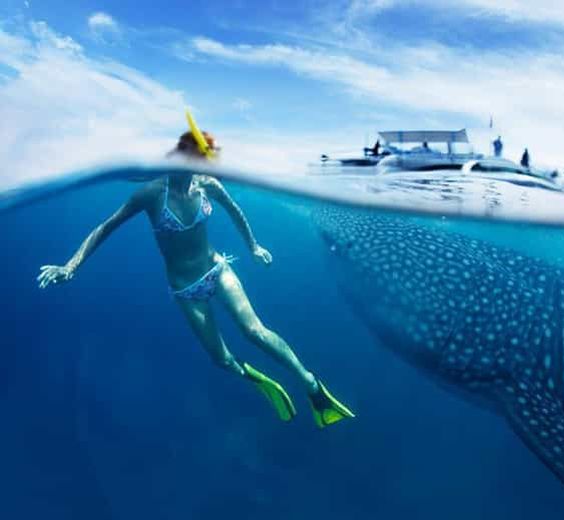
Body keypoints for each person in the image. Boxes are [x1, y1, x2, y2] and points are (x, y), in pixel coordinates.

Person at [37, 113, 355, 429]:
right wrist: (71, 265)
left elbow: (236, 211)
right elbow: (106, 226)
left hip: (217, 268)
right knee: (221, 360)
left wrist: (253, 246)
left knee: (255, 331)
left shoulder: (208, 185)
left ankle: (313, 387)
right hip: (186, 289)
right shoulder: (151, 193)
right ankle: (257, 379)